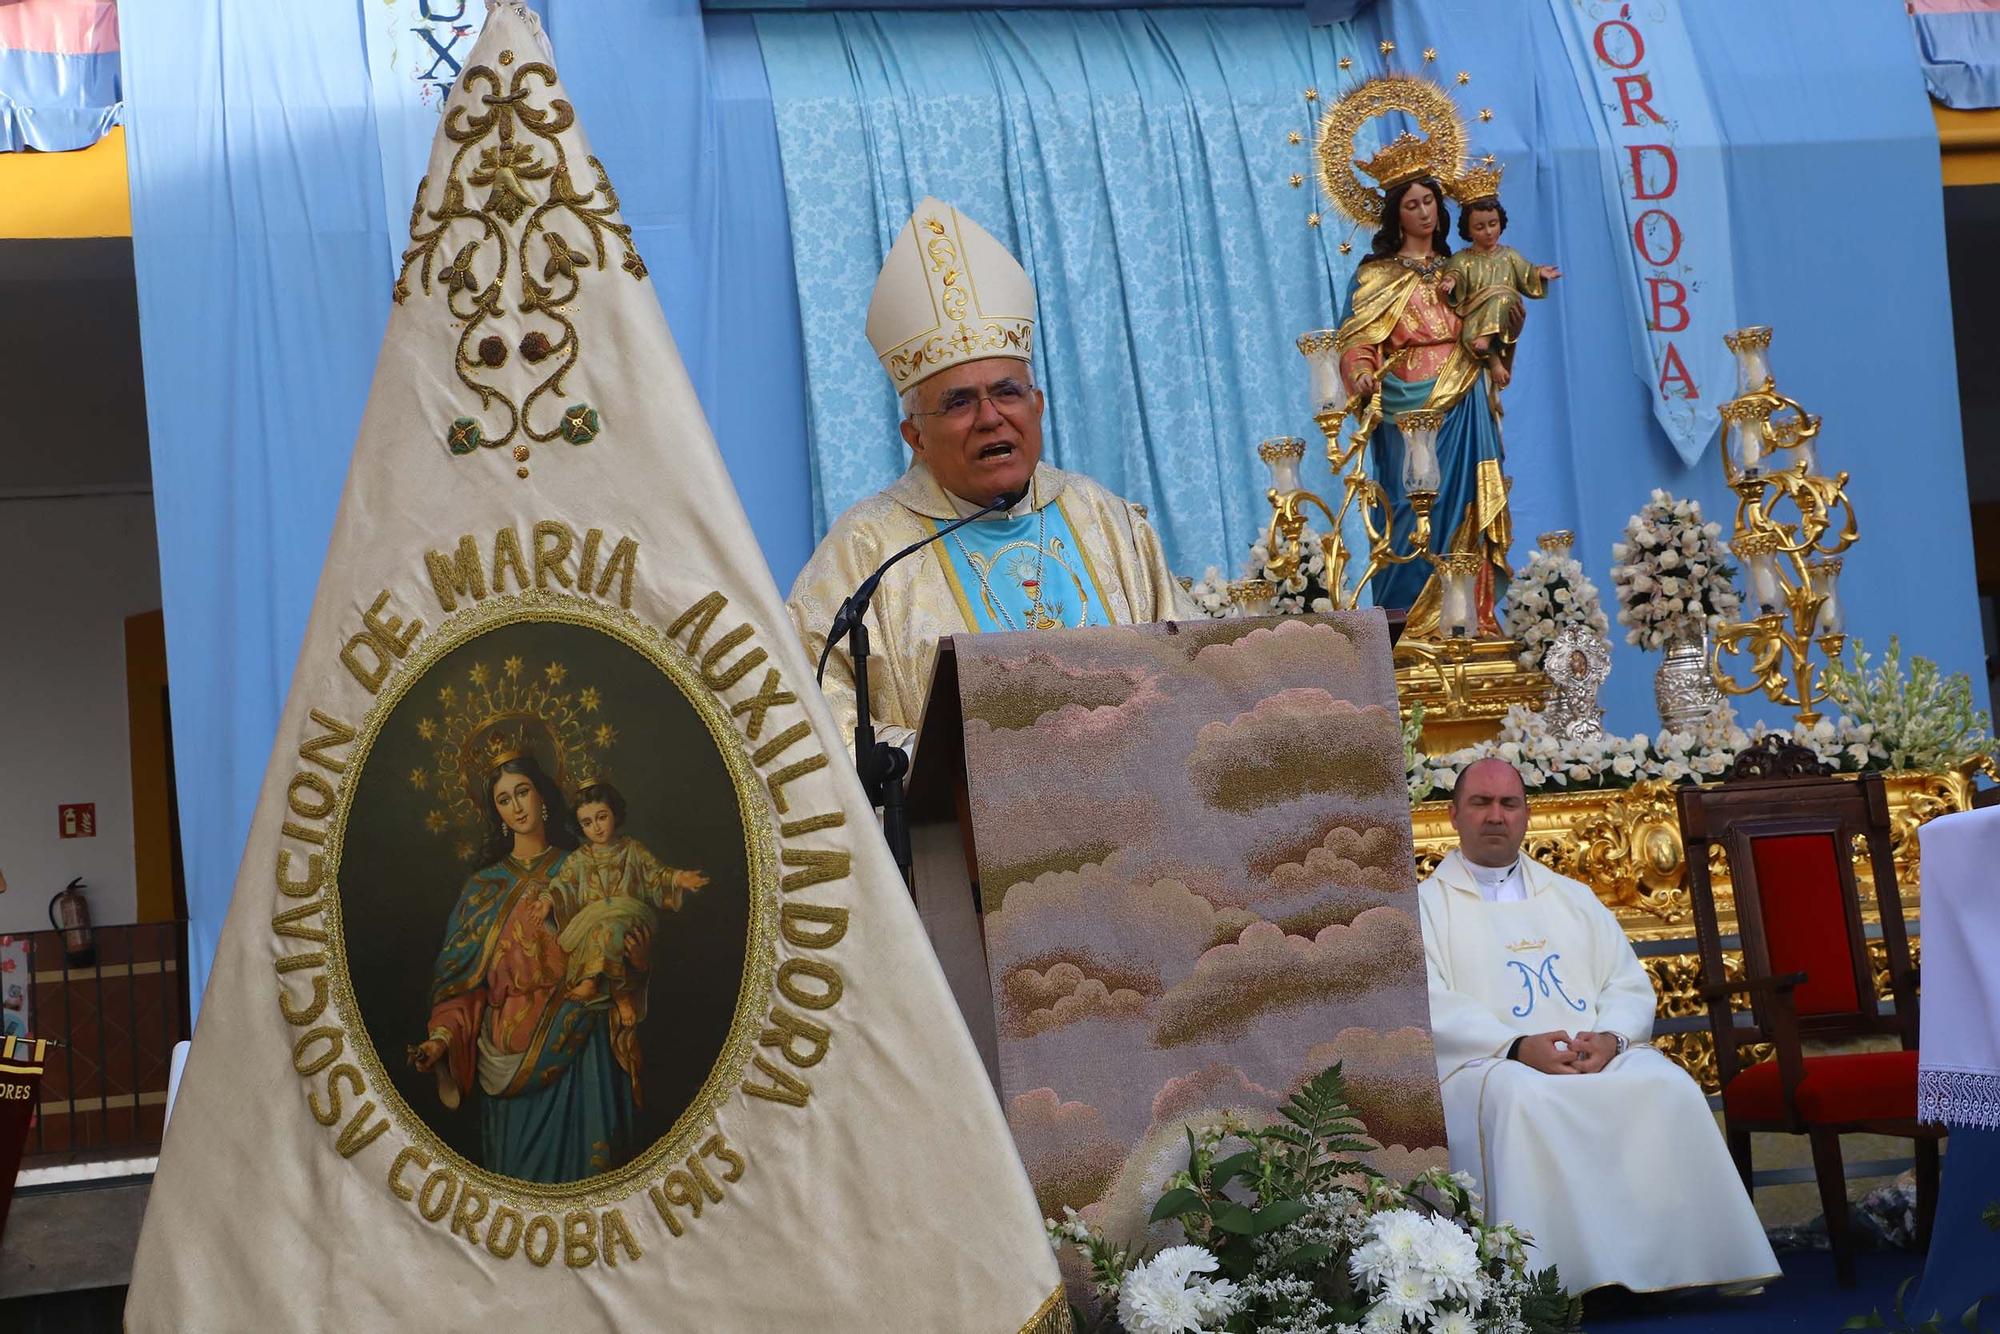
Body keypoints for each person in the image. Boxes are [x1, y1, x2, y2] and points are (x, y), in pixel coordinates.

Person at [788, 198, 1196, 751]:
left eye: (1008, 391)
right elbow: (813, 708)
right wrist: (946, 762)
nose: (990, 417)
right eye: (959, 402)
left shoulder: (1106, 520)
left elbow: (1193, 668)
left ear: (1039, 406)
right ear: (916, 439)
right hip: (959, 834)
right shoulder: (866, 552)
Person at [1418, 757, 1779, 1295]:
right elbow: (1429, 1001)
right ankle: (1549, 1286)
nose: (1496, 816)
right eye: (1481, 803)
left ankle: (1683, 1268)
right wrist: (1515, 1047)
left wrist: (1610, 1040)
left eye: (1508, 804)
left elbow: (1626, 983)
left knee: (1667, 1085)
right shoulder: (1425, 906)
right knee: (1524, 1100)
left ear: (1525, 815)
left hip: (1592, 1053)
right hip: (1491, 1064)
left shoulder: (1572, 897)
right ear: (1453, 815)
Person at [409, 747, 644, 1183]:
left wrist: (635, 954)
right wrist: (442, 1039)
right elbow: (462, 987)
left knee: (587, 1184)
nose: (517, 806)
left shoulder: (582, 869)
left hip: (579, 1045)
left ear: (543, 797)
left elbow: (620, 944)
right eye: (504, 799)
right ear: (496, 811)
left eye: (523, 792)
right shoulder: (482, 889)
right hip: (507, 1055)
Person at [1336, 175, 1511, 637]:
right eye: (1412, 204)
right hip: (1405, 407)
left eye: (1429, 201)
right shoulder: (1376, 275)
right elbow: (1356, 337)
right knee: (1407, 507)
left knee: (1468, 500)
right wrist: (1358, 372)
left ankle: (1469, 619)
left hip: (1465, 392)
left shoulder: (1465, 265)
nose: (1423, 212)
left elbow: (1499, 312)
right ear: (1397, 213)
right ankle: (1409, 623)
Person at [541, 780, 706, 1100]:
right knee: (603, 930)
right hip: (595, 929)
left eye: (601, 817)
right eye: (587, 822)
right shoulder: (577, 859)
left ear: (615, 814)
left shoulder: (633, 849)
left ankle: (605, 987)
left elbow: (657, 875)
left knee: (613, 929)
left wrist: (679, 878)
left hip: (630, 919)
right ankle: (616, 993)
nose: (596, 827)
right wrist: (547, 901)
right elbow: (561, 887)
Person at [1442, 196, 1559, 392]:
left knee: (1501, 298)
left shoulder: (1509, 255)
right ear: (1468, 230)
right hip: (1475, 313)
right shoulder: (1462, 258)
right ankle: (1495, 362)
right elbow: (1455, 273)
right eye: (1479, 227)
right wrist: (1450, 281)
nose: (1488, 232)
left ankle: (1488, 339)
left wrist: (1539, 274)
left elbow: (1526, 272)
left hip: (1505, 305)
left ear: (1501, 223)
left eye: (1493, 224)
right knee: (1470, 336)